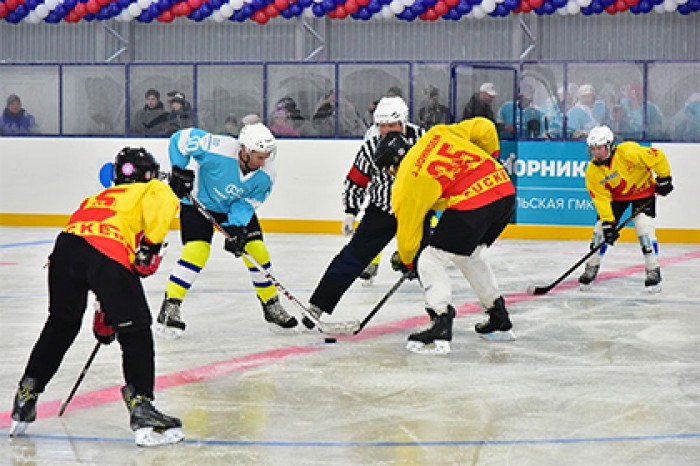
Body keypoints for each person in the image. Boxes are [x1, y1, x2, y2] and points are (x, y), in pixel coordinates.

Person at [9, 147, 195, 446]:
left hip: (65, 250)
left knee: (61, 325)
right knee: (135, 332)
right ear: (148, 174)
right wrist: (150, 247)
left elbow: (89, 255)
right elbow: (148, 238)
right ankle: (142, 407)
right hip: (106, 253)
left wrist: (106, 309)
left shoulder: (98, 197)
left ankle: (27, 394)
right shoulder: (154, 188)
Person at [157, 123, 299, 337]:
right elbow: (181, 138)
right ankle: (170, 306)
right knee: (196, 252)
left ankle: (271, 305)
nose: (263, 162)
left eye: (266, 157)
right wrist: (179, 169)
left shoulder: (266, 175)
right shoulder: (218, 148)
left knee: (257, 251)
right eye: (259, 157)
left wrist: (236, 226)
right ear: (244, 150)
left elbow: (247, 203)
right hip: (198, 203)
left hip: (233, 208)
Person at [389, 117, 517, 354]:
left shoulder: (405, 181)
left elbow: (408, 233)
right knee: (470, 255)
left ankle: (440, 321)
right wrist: (491, 159)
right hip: (505, 192)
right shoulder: (436, 133)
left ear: (390, 167)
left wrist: (408, 262)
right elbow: (485, 127)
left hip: (473, 204)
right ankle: (498, 315)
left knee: (429, 258)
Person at [303, 96, 429, 328]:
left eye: (391, 125)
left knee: (430, 262)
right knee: (352, 257)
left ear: (403, 122)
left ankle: (438, 312)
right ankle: (318, 305)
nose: (386, 131)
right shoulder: (371, 145)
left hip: (417, 210)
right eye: (381, 126)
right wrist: (351, 210)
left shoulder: (424, 142)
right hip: (382, 210)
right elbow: (356, 180)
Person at [578, 125, 673, 293]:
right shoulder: (593, 171)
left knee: (643, 227)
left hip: (643, 191)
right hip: (617, 197)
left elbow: (657, 157)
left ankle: (653, 269)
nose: (596, 153)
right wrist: (608, 223)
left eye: (599, 148)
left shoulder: (629, 152)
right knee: (600, 230)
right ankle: (591, 266)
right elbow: (601, 198)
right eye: (593, 148)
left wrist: (664, 178)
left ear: (609, 145)